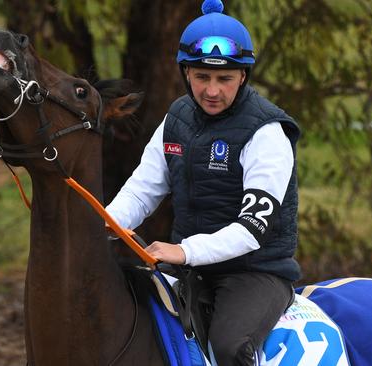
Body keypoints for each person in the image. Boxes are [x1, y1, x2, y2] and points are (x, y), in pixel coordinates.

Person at [105, 0, 300, 364]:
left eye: (224, 79)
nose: (212, 91)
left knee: (228, 347)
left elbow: (251, 230)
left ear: (243, 76)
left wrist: (183, 251)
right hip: (190, 270)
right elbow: (142, 190)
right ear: (186, 73)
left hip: (255, 273)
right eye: (201, 77)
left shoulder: (268, 132)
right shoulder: (176, 119)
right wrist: (109, 221)